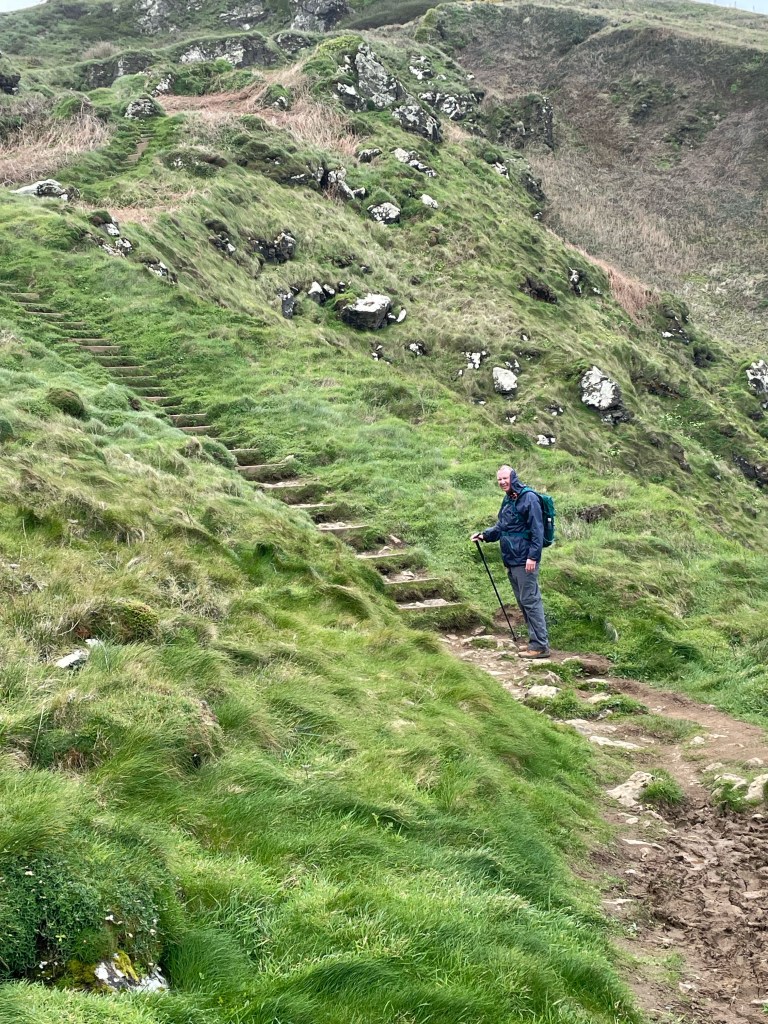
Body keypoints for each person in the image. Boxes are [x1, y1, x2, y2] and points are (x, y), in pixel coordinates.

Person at [471, 465, 550, 658]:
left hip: (525, 560)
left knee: (530, 601)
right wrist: (485, 535)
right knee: (523, 602)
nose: (502, 482)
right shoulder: (509, 499)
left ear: (513, 477)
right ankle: (534, 641)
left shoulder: (529, 498)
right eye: (499, 479)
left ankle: (540, 646)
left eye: (505, 478)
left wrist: (533, 557)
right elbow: (502, 527)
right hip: (511, 559)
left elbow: (537, 530)